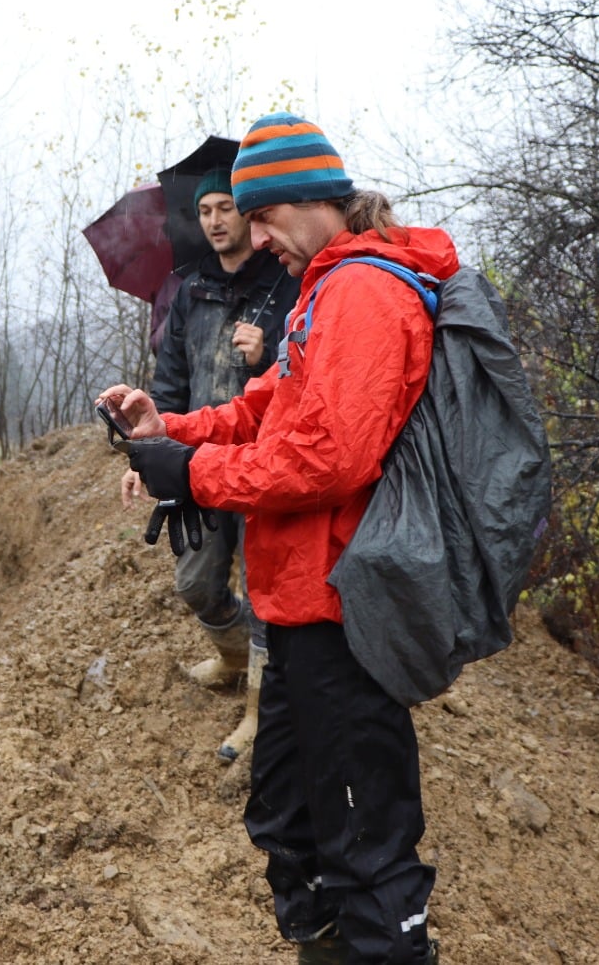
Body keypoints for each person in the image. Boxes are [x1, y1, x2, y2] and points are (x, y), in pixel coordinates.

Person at [98, 112, 452, 964]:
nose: (253, 238)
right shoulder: (325, 289)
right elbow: (269, 411)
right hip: (296, 606)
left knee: (364, 846)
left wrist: (195, 476)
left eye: (260, 218)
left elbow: (327, 457)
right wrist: (170, 431)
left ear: (305, 199)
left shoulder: (367, 292)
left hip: (345, 611)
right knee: (290, 823)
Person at [134, 165, 295, 760]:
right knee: (196, 581)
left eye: (226, 207)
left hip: (260, 464)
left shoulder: (284, 284)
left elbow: (298, 378)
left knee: (263, 595)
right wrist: (150, 454)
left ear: (249, 216)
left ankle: (258, 712)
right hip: (198, 464)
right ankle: (232, 660)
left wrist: (265, 349)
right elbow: (170, 382)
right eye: (205, 212)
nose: (215, 220)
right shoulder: (189, 291)